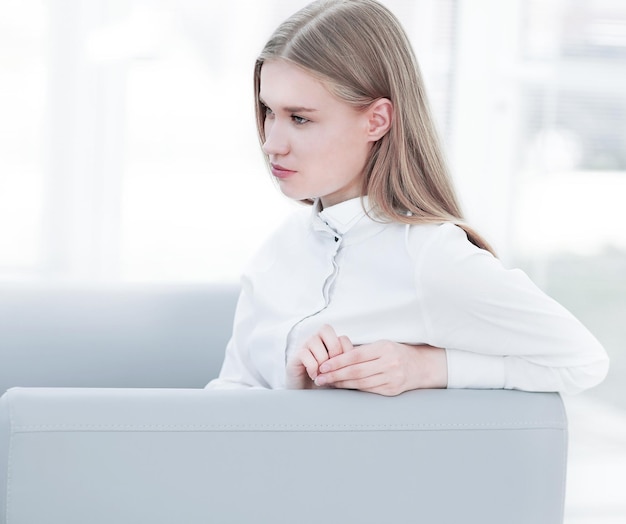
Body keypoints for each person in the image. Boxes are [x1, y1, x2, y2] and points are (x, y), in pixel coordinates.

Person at [206, 0, 609, 395]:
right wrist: (292, 391)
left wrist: (429, 366)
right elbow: (231, 389)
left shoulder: (430, 256)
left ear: (377, 120)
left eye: (299, 118)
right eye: (268, 112)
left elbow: (582, 361)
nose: (271, 142)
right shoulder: (281, 248)